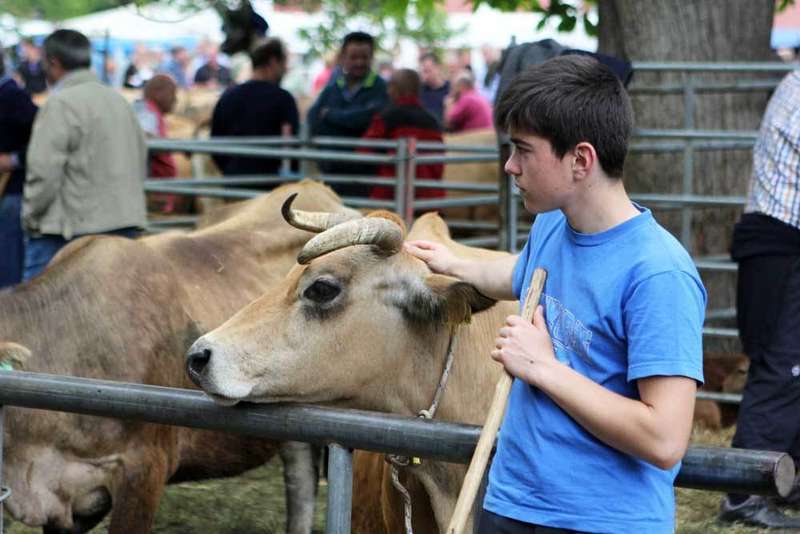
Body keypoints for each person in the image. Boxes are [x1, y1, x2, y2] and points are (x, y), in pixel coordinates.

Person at [405, 55, 706, 533]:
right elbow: (521, 277)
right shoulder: (552, 227)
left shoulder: (657, 274)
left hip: (599, 521)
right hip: (510, 500)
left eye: (523, 150)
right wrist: (452, 261)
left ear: (580, 160)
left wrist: (543, 369)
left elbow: (664, 437)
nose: (509, 165)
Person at [718, 69, 800, 530]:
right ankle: (744, 495)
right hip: (781, 246)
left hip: (778, 244)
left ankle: (784, 480)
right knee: (783, 369)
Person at [23, 29, 147, 280]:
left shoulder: (60, 104)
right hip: (122, 228)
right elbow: (140, 157)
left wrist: (30, 216)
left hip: (68, 237)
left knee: (38, 317)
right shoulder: (119, 101)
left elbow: (43, 172)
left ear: (53, 62)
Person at [306, 31, 389, 196]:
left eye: (364, 57)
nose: (359, 62)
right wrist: (352, 124)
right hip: (331, 175)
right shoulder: (332, 87)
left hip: (365, 177)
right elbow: (313, 119)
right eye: (353, 57)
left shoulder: (381, 88)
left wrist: (330, 117)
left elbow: (369, 119)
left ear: (372, 57)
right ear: (343, 58)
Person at [210, 38, 299, 183]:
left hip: (235, 183)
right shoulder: (283, 99)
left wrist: (230, 170)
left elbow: (215, 142)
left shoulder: (228, 97)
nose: (285, 69)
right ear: (273, 62)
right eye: (284, 63)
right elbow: (292, 146)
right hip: (271, 186)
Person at [359, 68, 444, 201]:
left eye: (390, 87)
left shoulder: (385, 118)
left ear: (394, 89)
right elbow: (439, 165)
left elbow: (364, 152)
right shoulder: (432, 121)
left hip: (389, 196)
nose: (387, 92)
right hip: (427, 199)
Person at [0, 49, 37, 288]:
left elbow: (46, 139)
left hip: (11, 191)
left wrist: (13, 160)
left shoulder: (11, 96)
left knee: (7, 269)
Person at [133, 74, 181, 213]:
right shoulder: (147, 112)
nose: (175, 100)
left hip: (153, 187)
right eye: (172, 94)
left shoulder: (148, 111)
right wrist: (176, 145)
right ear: (158, 93)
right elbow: (145, 137)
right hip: (150, 189)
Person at [444, 69, 493, 133]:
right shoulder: (477, 96)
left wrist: (448, 104)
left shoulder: (466, 99)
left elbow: (448, 122)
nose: (452, 89)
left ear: (462, 86)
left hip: (475, 139)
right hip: (485, 136)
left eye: (454, 86)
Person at [419, 52, 450, 126]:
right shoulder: (419, 91)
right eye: (422, 72)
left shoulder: (451, 89)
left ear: (437, 68)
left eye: (427, 71)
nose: (424, 75)